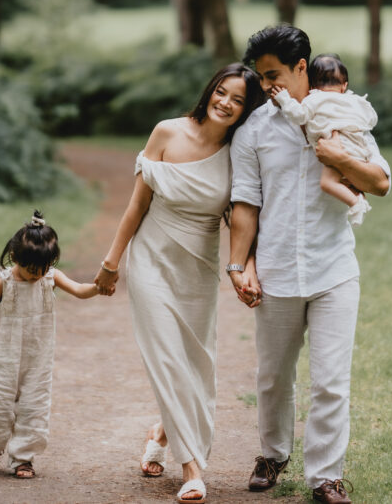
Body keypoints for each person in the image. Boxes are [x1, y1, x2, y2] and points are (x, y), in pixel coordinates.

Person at [226, 25, 391, 504]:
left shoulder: (343, 115)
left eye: (273, 75)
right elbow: (245, 204)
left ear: (302, 68)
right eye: (260, 78)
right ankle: (273, 454)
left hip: (334, 269)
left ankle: (325, 477)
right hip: (275, 269)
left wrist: (338, 155)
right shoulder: (254, 131)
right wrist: (240, 266)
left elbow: (380, 182)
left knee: (331, 381)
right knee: (274, 375)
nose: (265, 86)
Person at [94, 63, 265, 504]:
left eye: (239, 100)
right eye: (222, 93)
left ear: (246, 110)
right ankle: (192, 470)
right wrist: (111, 263)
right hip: (151, 258)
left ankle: (162, 431)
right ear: (210, 90)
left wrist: (246, 267)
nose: (226, 103)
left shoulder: (239, 151)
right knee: (168, 359)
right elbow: (136, 205)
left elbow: (246, 217)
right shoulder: (166, 133)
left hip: (197, 267)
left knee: (194, 363)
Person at [0, 210, 99, 479]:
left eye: (44, 269)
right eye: (32, 270)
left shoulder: (51, 278)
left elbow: (81, 290)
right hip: (6, 358)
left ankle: (23, 458)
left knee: (34, 407)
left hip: (38, 359)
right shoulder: (3, 283)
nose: (37, 276)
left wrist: (99, 286)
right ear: (15, 258)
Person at [269, 53, 378, 226]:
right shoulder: (354, 101)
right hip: (360, 149)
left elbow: (298, 116)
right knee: (349, 182)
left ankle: (356, 204)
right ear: (344, 85)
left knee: (328, 183)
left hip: (338, 148)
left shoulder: (314, 99)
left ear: (312, 85)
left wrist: (284, 99)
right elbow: (371, 119)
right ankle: (359, 199)